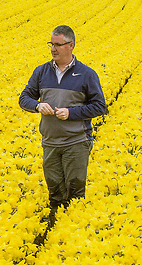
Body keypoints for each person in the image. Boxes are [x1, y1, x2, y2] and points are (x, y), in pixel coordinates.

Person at [19, 25, 107, 234]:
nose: (53, 49)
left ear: (71, 46)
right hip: (50, 141)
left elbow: (100, 106)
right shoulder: (41, 71)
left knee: (75, 189)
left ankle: (75, 233)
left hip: (76, 141)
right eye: (51, 44)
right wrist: (37, 105)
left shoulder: (86, 74)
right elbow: (24, 98)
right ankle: (57, 230)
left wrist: (71, 113)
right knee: (55, 189)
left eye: (58, 45)